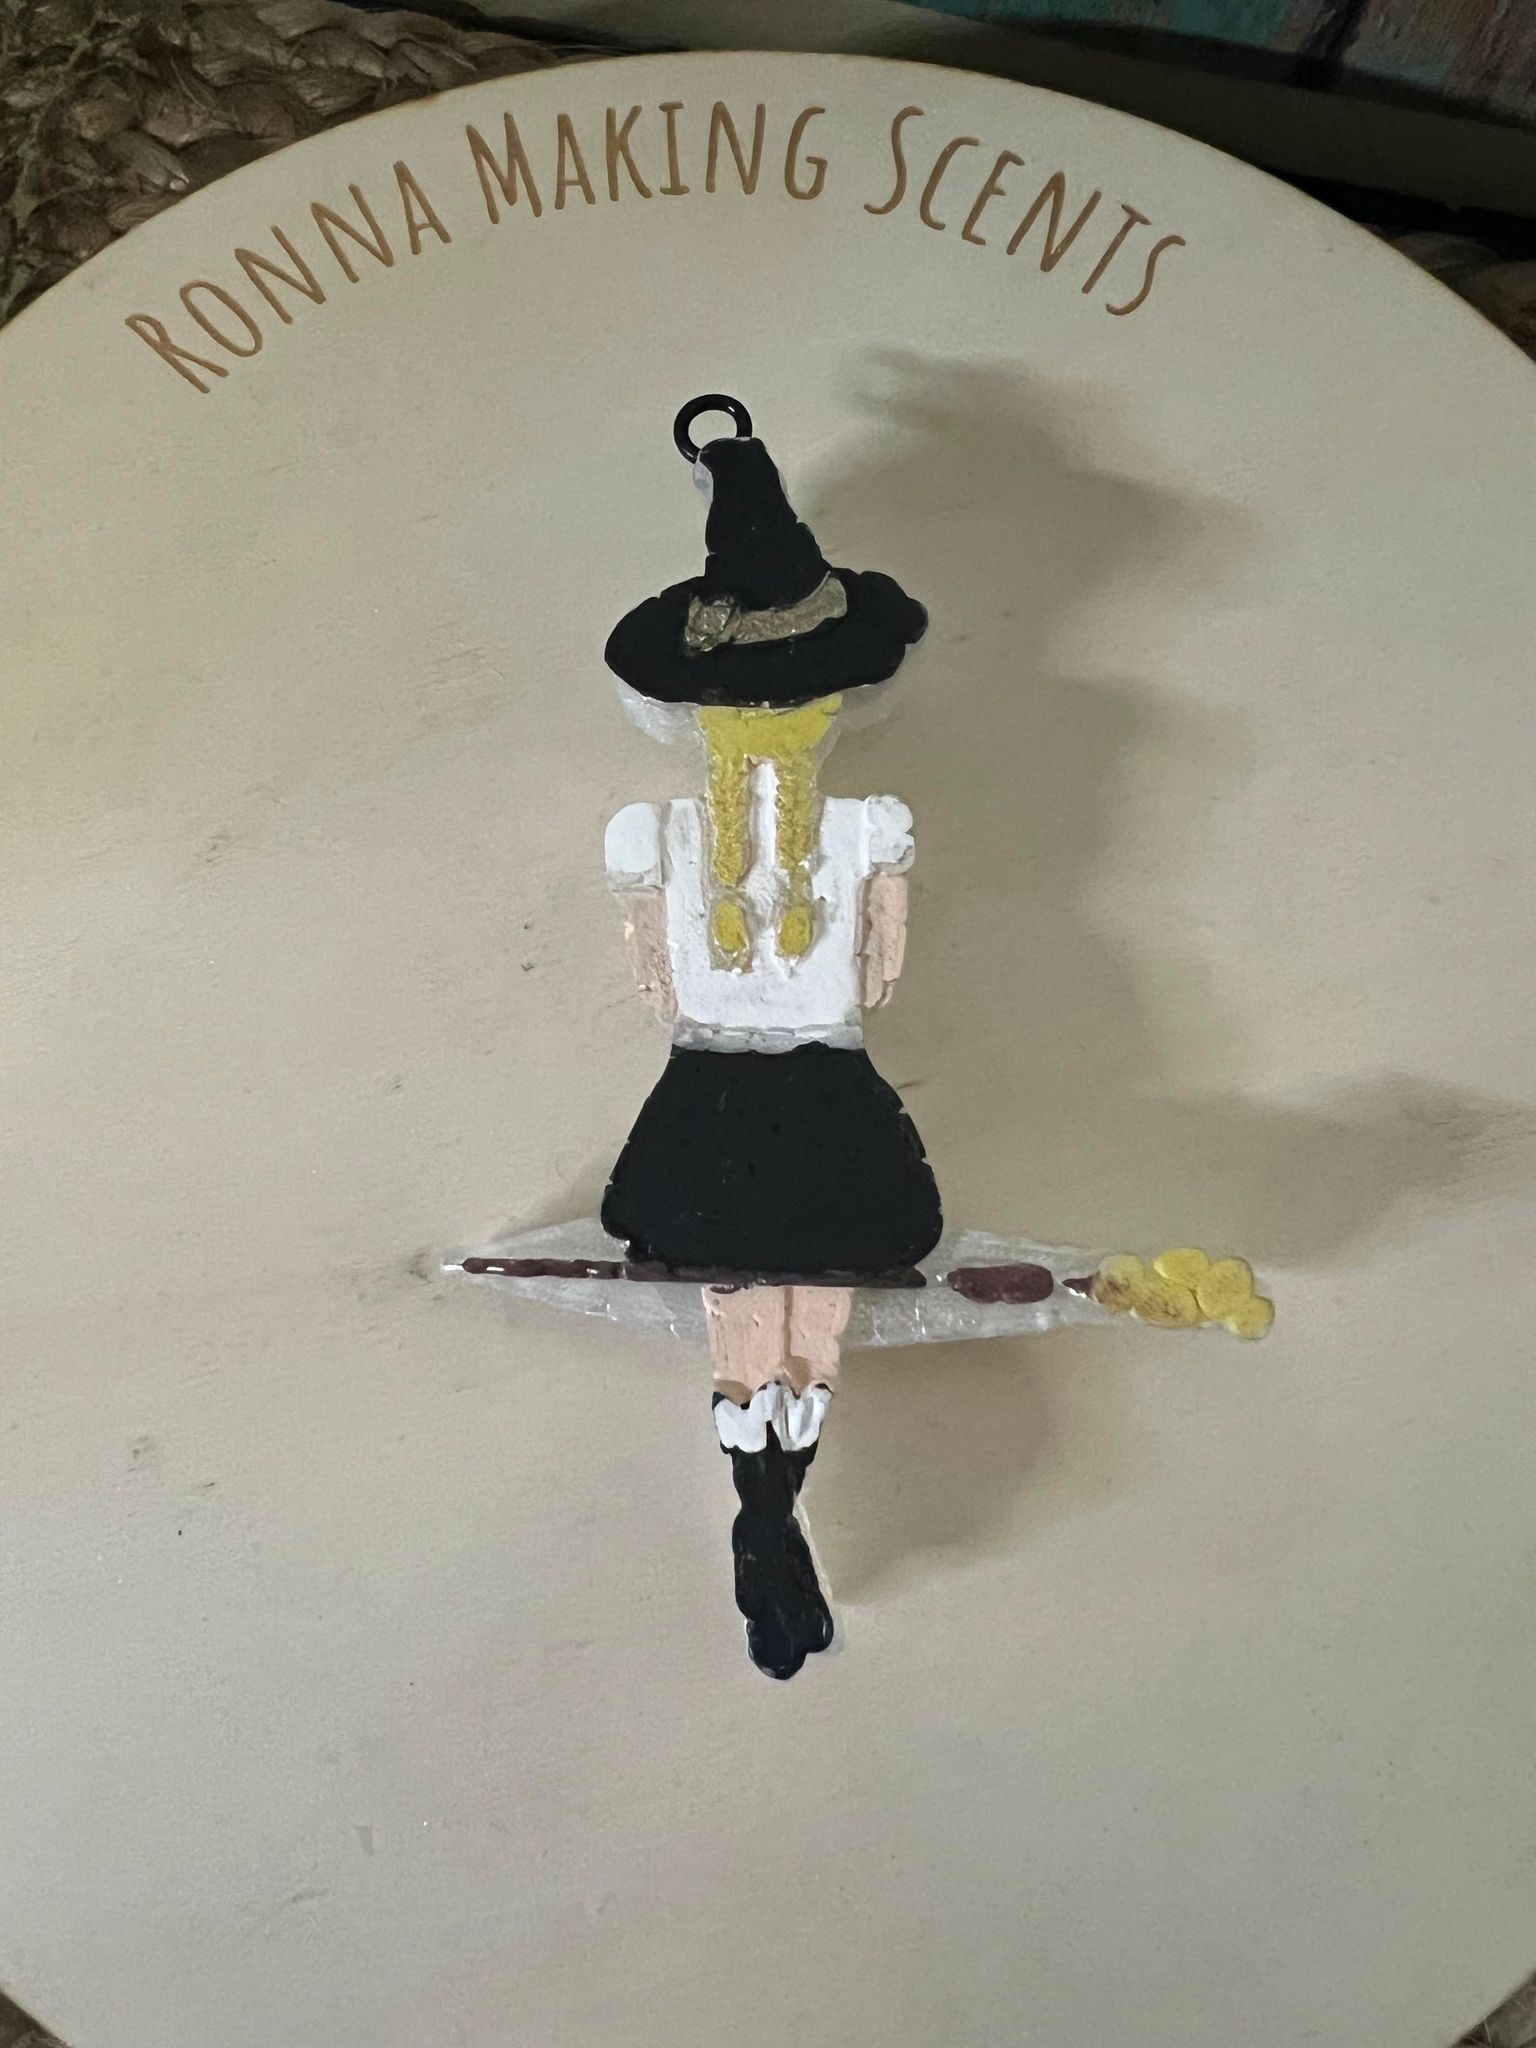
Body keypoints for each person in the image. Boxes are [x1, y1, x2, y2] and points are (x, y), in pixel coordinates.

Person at [600, 397, 940, 1679]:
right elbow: (880, 973)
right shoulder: (859, 832)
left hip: (732, 1077)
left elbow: (654, 982)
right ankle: (772, 1506)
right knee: (799, 1296)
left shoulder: (675, 838)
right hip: (805, 1078)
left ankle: (765, 1509)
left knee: (758, 1295)